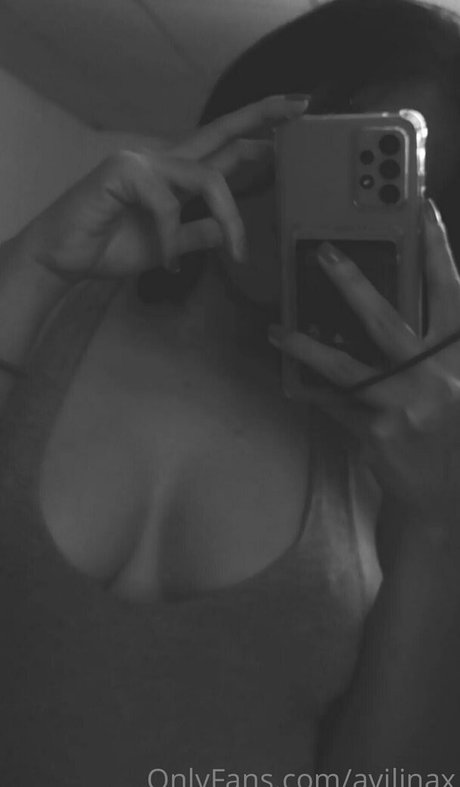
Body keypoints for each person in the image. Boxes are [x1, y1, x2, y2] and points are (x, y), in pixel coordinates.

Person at [1, 0, 460, 780]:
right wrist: (28, 268)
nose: (307, 202)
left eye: (376, 180)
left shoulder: (401, 453)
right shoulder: (38, 305)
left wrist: (437, 526)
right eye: (321, 145)